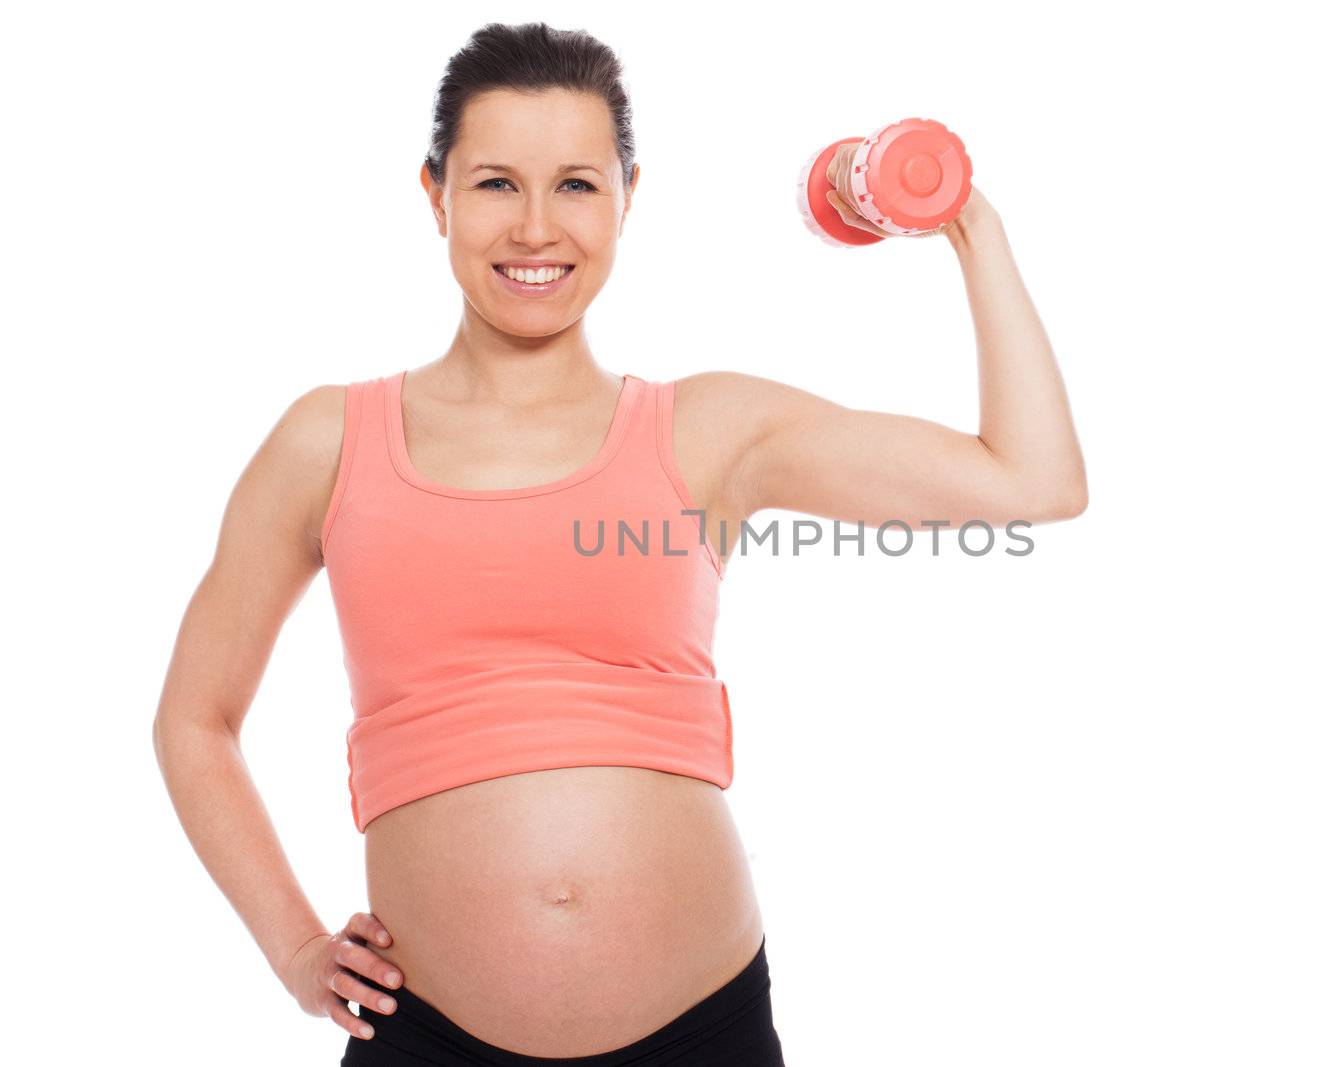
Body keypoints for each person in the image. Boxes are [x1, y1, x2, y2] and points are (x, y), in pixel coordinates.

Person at [151, 20, 1087, 1066]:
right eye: (498, 183)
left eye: (578, 186)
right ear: (436, 195)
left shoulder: (708, 431)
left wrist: (968, 222)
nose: (536, 228)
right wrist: (293, 947)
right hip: (429, 1034)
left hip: (698, 1028)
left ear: (628, 199)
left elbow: (1033, 479)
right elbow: (196, 719)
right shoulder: (327, 438)